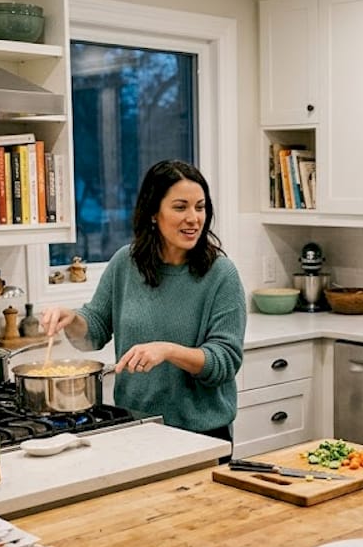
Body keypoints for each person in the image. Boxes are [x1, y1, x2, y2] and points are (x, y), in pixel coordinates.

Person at [40, 160, 246, 451]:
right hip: (135, 428)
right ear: (153, 213)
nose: (193, 218)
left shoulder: (221, 274)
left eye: (200, 207)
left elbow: (224, 362)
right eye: (180, 207)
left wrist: (168, 351)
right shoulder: (126, 262)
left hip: (202, 436)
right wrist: (70, 317)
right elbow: (95, 329)